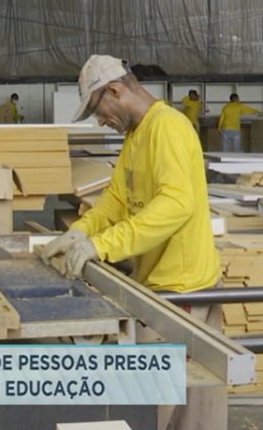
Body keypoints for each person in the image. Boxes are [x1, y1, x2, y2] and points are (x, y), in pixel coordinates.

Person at [40, 55, 224, 430]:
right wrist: (81, 232)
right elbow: (115, 201)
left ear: (114, 91)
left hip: (183, 289)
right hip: (158, 287)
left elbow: (177, 204)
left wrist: (102, 246)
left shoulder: (167, 127)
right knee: (169, 407)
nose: (99, 121)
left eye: (97, 110)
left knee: (167, 408)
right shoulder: (136, 136)